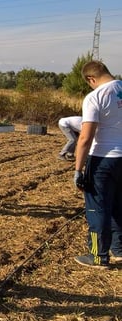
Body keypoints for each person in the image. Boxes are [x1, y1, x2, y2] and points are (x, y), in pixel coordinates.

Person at [73, 60, 122, 269]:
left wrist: (78, 169)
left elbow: (85, 137)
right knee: (118, 205)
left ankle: (98, 255)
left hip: (103, 158)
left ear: (91, 79)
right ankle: (119, 250)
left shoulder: (95, 97)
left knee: (97, 209)